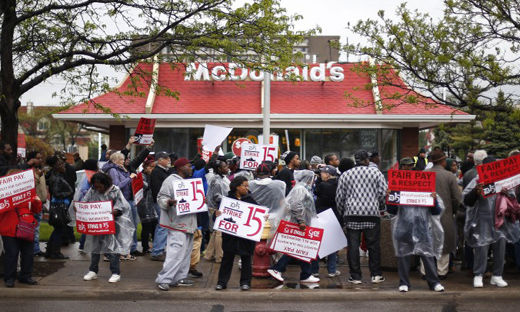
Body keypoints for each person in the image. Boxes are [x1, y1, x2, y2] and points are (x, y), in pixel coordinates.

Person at [387, 157, 445, 292]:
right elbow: (392, 211)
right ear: (400, 167)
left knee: (428, 256)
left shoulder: (424, 184)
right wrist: (390, 198)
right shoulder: (396, 185)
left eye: (410, 166)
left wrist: (434, 199)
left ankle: (434, 282)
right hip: (404, 227)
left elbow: (436, 211)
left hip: (422, 228)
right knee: (403, 256)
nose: (408, 168)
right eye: (405, 166)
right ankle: (404, 283)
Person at [463, 156, 520, 288]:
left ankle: (497, 275)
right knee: (481, 246)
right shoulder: (477, 180)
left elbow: (513, 198)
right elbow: (466, 200)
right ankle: (478, 274)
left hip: (500, 219)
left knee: (500, 246)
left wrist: (507, 192)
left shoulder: (504, 181)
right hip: (483, 219)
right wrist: (475, 192)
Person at [336, 150, 387, 284]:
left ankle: (355, 276)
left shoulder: (345, 175)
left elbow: (340, 197)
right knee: (373, 245)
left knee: (353, 246)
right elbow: (382, 193)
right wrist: (380, 207)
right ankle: (375, 275)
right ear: (367, 160)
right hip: (371, 213)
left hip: (352, 213)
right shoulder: (376, 173)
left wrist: (343, 212)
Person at [81, 172, 134, 283]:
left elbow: (123, 206)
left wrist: (116, 211)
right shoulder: (93, 190)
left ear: (106, 184)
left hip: (113, 224)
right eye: (96, 186)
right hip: (97, 224)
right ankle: (93, 271)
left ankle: (115, 273)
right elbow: (84, 201)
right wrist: (80, 207)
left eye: (100, 186)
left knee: (113, 248)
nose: (98, 189)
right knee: (95, 248)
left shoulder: (115, 190)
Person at [268, 170, 319, 284]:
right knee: (297, 248)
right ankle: (277, 269)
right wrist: (301, 221)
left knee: (300, 248)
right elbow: (296, 204)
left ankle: (305, 274)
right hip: (297, 223)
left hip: (300, 221)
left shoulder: (301, 188)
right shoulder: (300, 189)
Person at [155, 158, 196, 291]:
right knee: (175, 252)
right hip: (176, 223)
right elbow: (161, 198)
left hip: (188, 223)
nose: (191, 168)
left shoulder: (187, 183)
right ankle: (164, 279)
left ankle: (178, 278)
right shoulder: (170, 180)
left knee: (185, 253)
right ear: (180, 168)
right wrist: (169, 202)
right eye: (189, 166)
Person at [0, 169, 42, 288]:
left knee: (28, 253)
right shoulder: (3, 194)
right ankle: (10, 278)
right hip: (9, 228)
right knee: (11, 254)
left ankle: (26, 276)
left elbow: (36, 210)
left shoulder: (29, 194)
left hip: (26, 227)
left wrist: (36, 202)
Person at [423, 149, 462, 278]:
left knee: (427, 242)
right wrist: (454, 210)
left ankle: (425, 271)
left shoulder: (424, 174)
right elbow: (457, 198)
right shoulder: (449, 176)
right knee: (444, 243)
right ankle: (441, 271)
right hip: (445, 215)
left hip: (426, 214)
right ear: (443, 161)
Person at [215, 176, 258, 291]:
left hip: (245, 237)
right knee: (227, 258)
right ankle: (222, 282)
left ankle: (245, 282)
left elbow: (257, 215)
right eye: (245, 185)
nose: (247, 188)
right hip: (230, 236)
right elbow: (218, 217)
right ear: (237, 187)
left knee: (246, 259)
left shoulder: (250, 199)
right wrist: (217, 214)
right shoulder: (226, 200)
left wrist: (262, 216)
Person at [104, 152, 139, 259]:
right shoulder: (113, 170)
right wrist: (130, 178)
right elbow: (117, 186)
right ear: (115, 160)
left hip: (127, 199)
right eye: (122, 160)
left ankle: (124, 251)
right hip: (120, 201)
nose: (124, 161)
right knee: (121, 227)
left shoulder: (121, 169)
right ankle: (116, 252)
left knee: (126, 227)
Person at [312, 165, 341, 278]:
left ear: (328, 174)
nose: (320, 175)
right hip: (334, 216)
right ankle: (332, 270)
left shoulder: (322, 185)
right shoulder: (339, 184)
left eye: (322, 173)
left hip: (321, 216)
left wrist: (318, 180)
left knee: (317, 243)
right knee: (332, 244)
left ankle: (315, 270)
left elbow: (316, 191)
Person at [45, 156, 74, 259]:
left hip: (58, 205)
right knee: (59, 229)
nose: (64, 165)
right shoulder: (56, 178)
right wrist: (69, 193)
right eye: (61, 164)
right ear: (57, 166)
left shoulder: (57, 176)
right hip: (59, 206)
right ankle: (55, 252)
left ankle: (50, 250)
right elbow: (57, 193)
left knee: (58, 229)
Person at [204, 159, 231, 263]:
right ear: (219, 169)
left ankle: (208, 254)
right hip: (215, 208)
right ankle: (219, 257)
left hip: (216, 207)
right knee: (219, 232)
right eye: (225, 167)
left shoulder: (220, 178)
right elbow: (216, 197)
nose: (227, 168)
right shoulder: (216, 180)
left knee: (216, 232)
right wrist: (228, 200)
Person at [150, 151, 172, 261]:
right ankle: (157, 251)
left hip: (163, 202)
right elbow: (158, 190)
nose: (169, 160)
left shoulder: (162, 171)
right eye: (166, 158)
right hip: (160, 203)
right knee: (162, 226)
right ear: (160, 160)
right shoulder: (156, 172)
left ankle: (159, 250)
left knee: (163, 226)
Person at [24, 151, 47, 257]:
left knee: (37, 227)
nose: (40, 160)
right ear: (32, 159)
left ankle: (35, 248)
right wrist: (37, 177)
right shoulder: (28, 171)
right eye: (38, 158)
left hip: (40, 203)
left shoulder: (39, 171)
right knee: (34, 227)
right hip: (33, 204)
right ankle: (33, 249)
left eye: (41, 158)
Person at [137, 159, 158, 254]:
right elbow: (147, 186)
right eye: (151, 166)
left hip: (152, 204)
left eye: (154, 167)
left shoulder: (152, 176)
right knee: (146, 226)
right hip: (144, 205)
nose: (152, 169)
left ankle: (155, 246)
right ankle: (145, 247)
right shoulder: (141, 176)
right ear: (145, 167)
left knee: (154, 225)